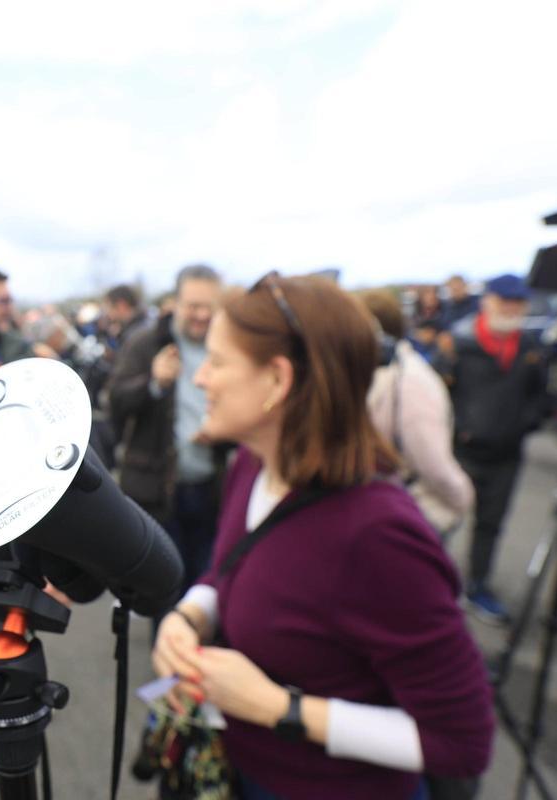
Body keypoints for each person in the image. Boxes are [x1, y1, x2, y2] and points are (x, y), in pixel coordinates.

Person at [152, 273, 493, 800]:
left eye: (217, 362)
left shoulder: (378, 535)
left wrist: (277, 708)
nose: (201, 379)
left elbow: (461, 740)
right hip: (244, 769)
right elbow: (230, 569)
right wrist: (189, 616)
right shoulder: (252, 463)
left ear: (277, 381)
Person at [438, 273, 549, 623]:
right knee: (444, 520)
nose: (511, 309)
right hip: (463, 451)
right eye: (505, 301)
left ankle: (478, 586)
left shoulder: (530, 347)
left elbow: (541, 396)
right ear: (488, 302)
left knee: (490, 524)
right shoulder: (458, 343)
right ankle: (430, 583)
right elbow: (438, 394)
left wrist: (522, 425)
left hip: (506, 454)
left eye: (517, 303)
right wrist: (459, 431)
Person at [107, 264, 226, 588]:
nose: (201, 315)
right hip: (157, 490)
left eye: (209, 306)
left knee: (207, 585)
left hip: (212, 488)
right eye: (193, 306)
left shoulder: (225, 346)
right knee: (165, 589)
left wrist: (224, 432)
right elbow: (115, 401)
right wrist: (154, 383)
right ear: (176, 302)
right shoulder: (145, 343)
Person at [358, 290, 474, 537]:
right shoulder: (378, 370)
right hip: (385, 511)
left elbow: (434, 464)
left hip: (416, 514)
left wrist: (460, 498)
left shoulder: (411, 380)